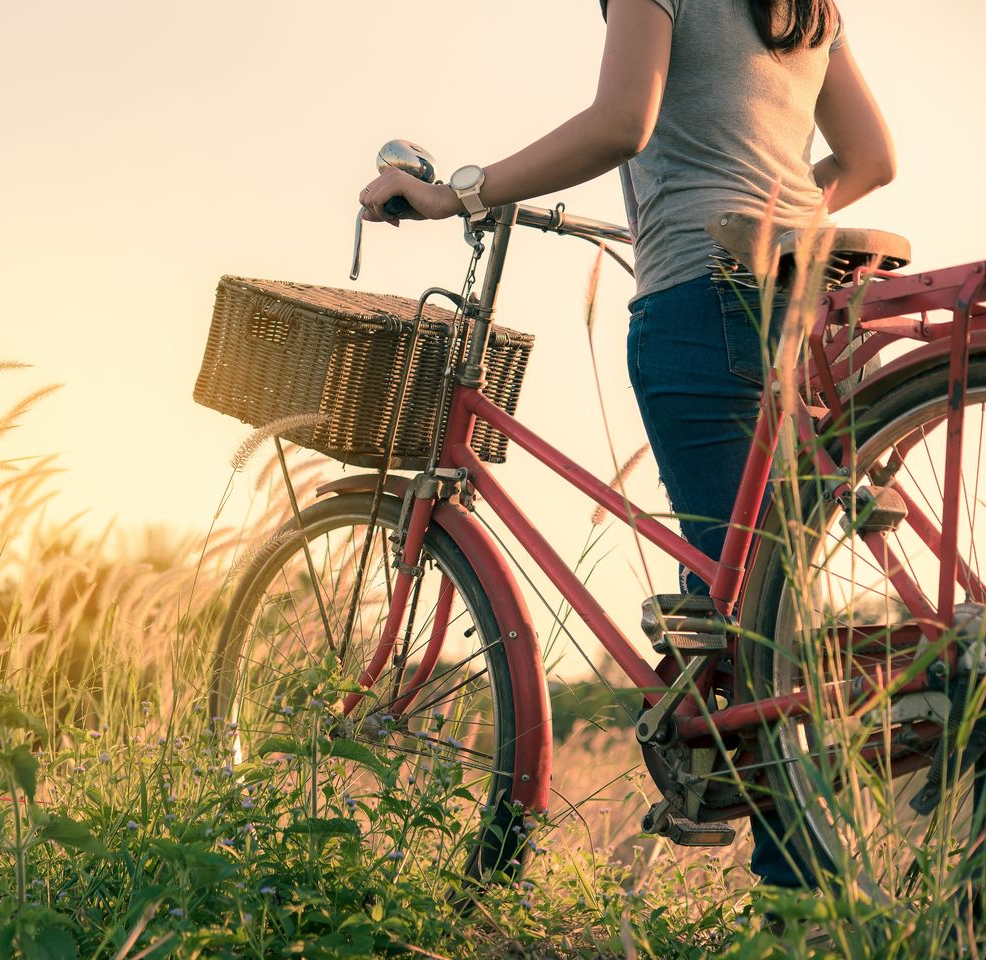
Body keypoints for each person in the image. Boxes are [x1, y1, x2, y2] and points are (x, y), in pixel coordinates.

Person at [357, 0, 896, 888]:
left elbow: (621, 122)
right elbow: (875, 159)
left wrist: (463, 191)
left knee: (739, 635)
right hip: (808, 304)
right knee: (766, 602)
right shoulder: (805, 3)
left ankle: (799, 907)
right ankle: (801, 887)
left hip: (702, 297)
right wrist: (776, 210)